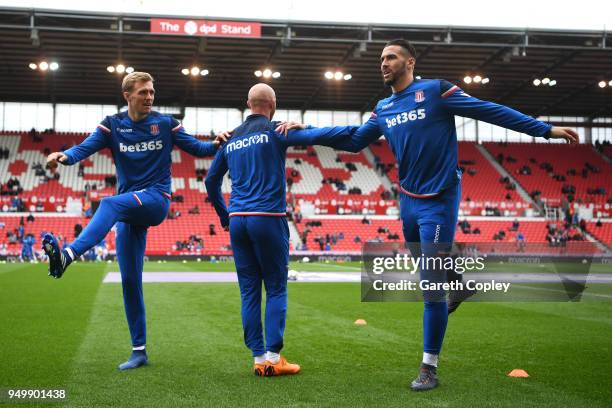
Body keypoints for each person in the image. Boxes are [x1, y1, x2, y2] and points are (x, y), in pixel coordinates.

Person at [278, 39, 578, 391]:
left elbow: (488, 110)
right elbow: (354, 138)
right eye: (381, 58)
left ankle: (429, 367)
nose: (383, 63)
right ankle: (459, 284)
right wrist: (305, 131)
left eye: (391, 57)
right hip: (408, 200)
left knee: (430, 286)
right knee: (428, 272)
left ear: (410, 62)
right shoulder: (384, 106)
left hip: (440, 199)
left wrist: (544, 130)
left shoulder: (437, 91)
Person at [42, 71, 226, 370]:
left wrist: (216, 143)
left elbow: (199, 149)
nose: (150, 97)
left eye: (152, 92)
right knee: (129, 281)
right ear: (127, 95)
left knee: (109, 202)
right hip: (129, 210)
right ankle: (139, 350)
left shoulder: (166, 123)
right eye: (143, 92)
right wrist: (62, 155)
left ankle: (68, 255)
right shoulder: (112, 125)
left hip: (155, 199)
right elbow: (83, 148)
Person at [206, 83, 352, 377]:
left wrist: (225, 216)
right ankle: (274, 357)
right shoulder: (277, 130)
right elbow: (326, 136)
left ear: (248, 104)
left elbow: (211, 182)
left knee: (248, 290)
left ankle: (258, 358)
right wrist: (307, 126)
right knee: (275, 287)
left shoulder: (231, 139)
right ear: (272, 105)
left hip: (238, 219)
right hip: (268, 217)